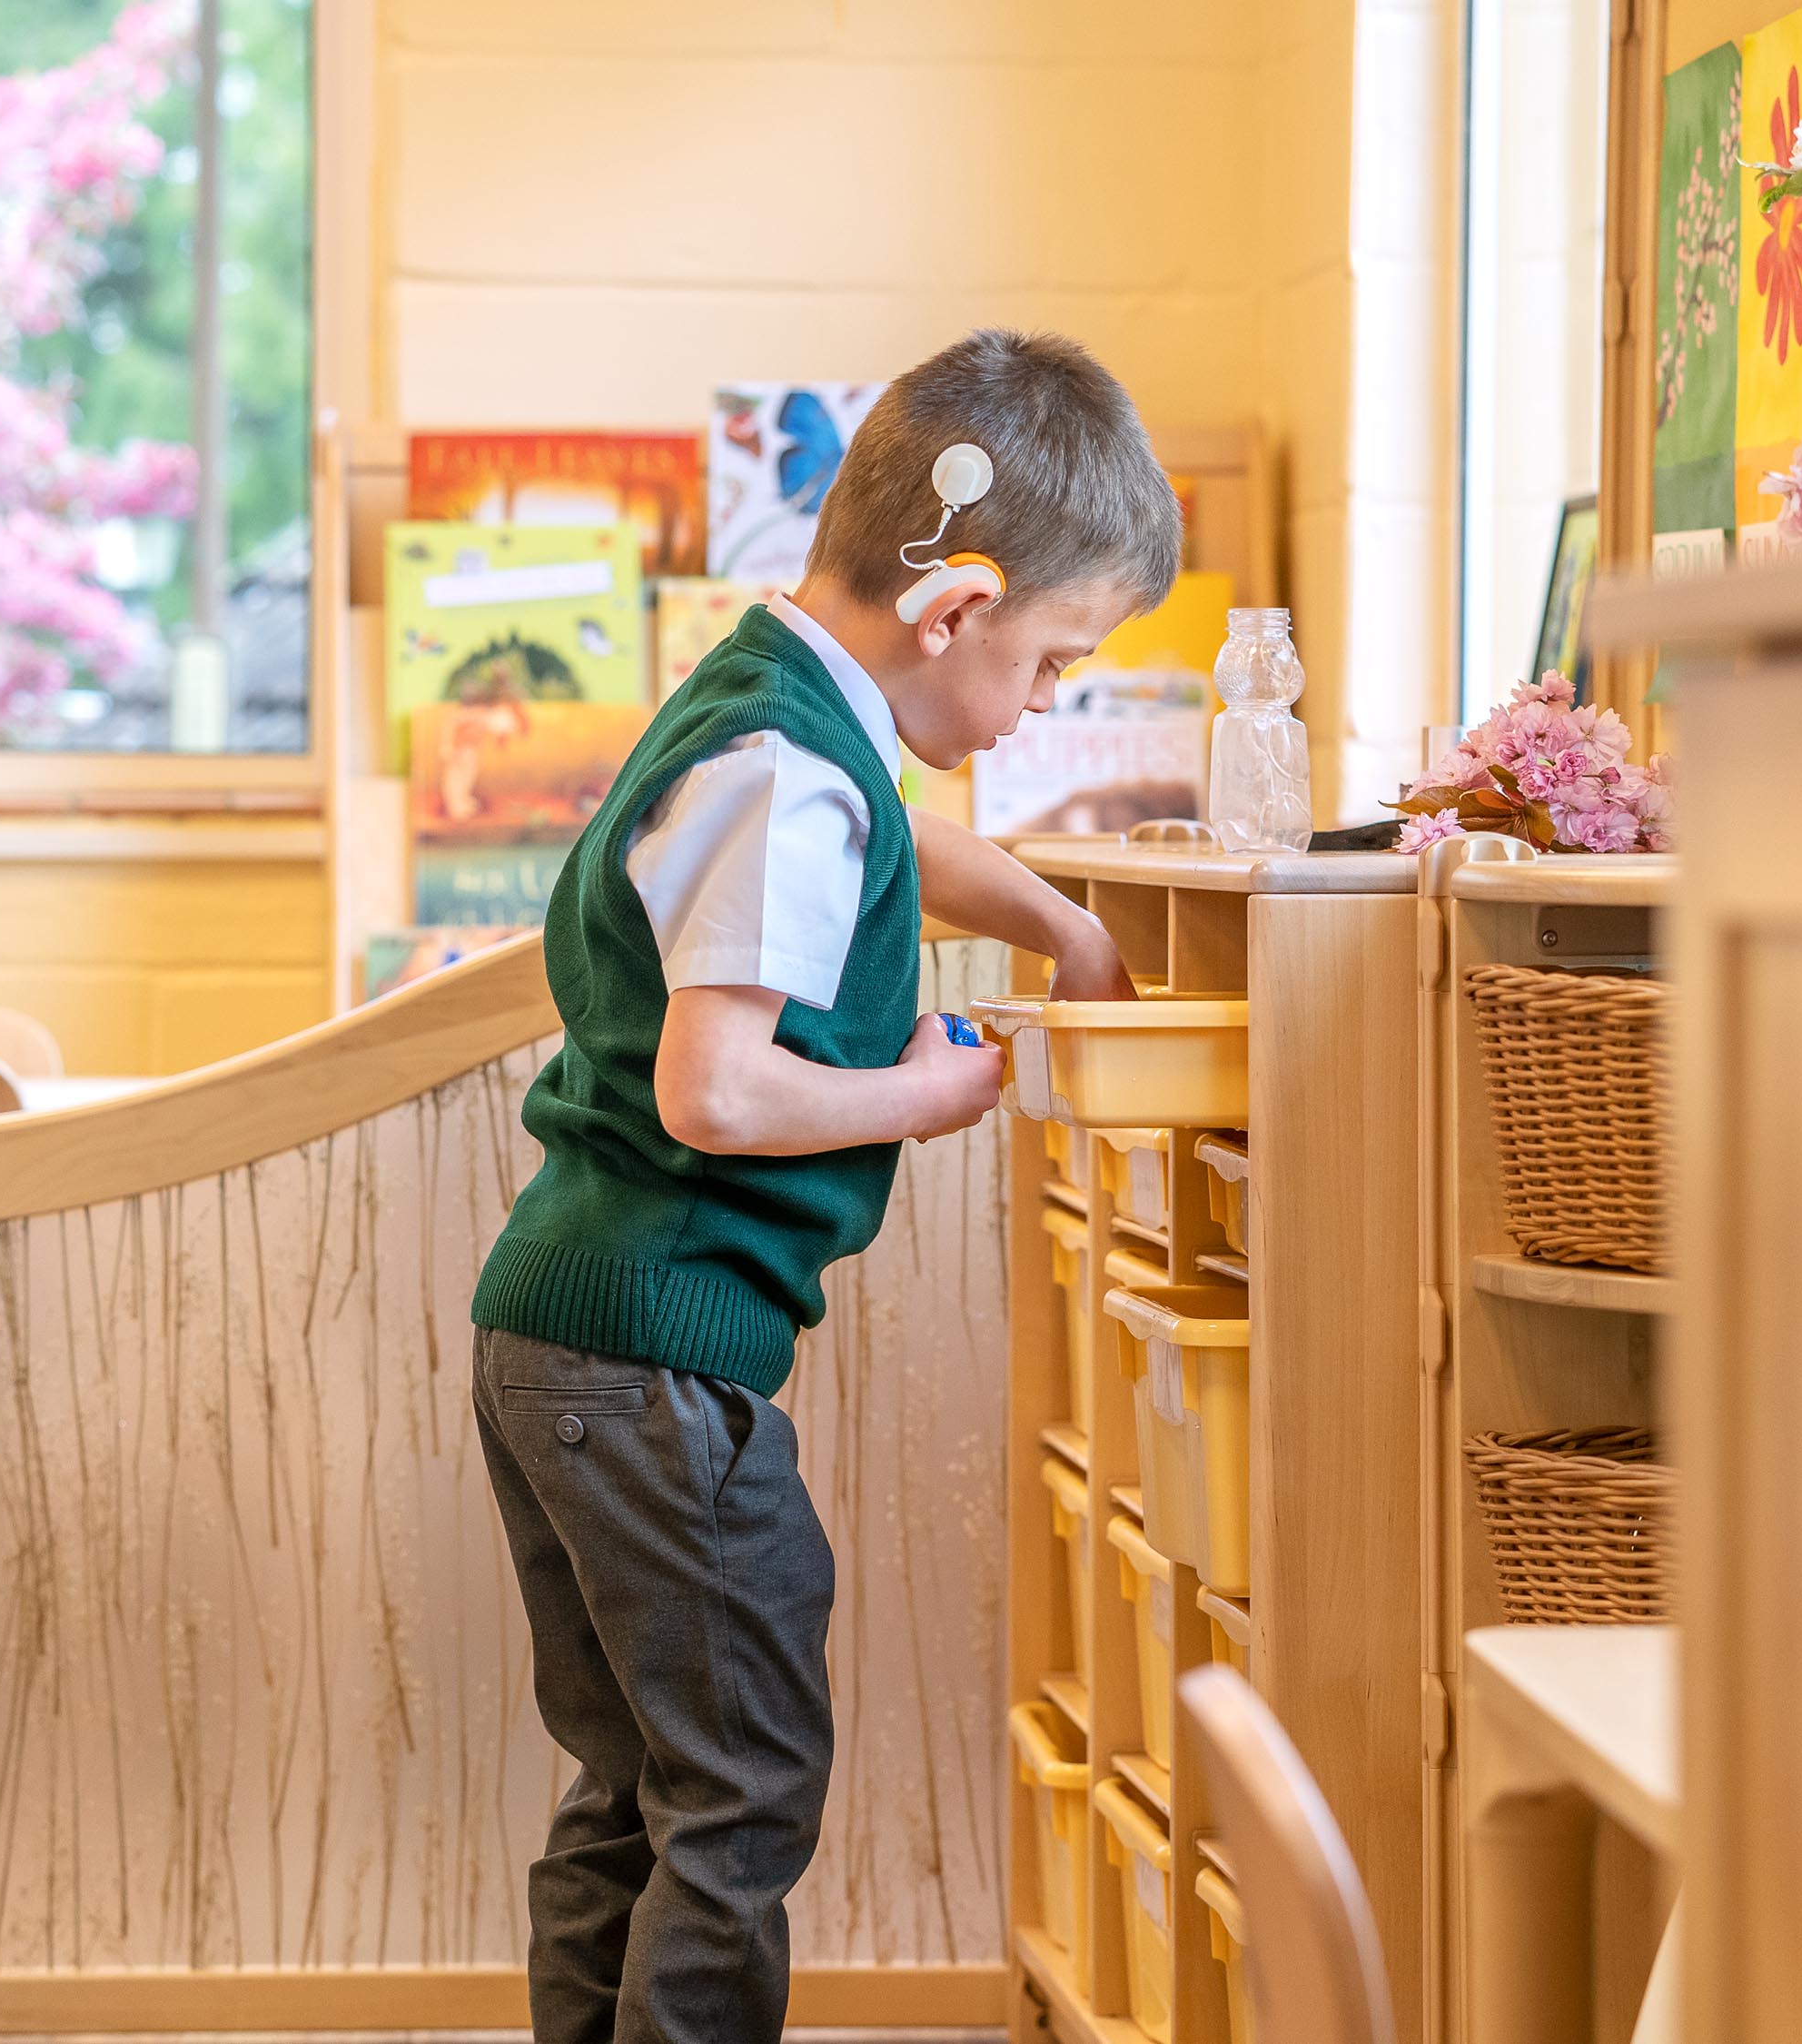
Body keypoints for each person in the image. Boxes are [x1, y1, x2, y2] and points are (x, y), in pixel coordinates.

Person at [469, 327, 1183, 2044]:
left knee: (644, 1780)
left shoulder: (786, 709)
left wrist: (1063, 923)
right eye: (1054, 667)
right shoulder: (785, 769)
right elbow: (714, 1088)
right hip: (654, 1362)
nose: (1040, 709)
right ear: (955, 613)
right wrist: (927, 1093)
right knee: (742, 1787)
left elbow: (890, 825)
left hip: (572, 1341)